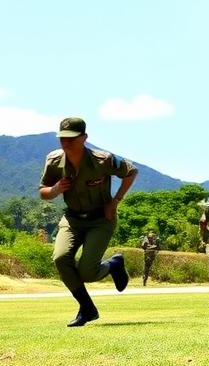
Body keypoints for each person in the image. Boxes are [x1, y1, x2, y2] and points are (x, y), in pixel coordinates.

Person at [39, 117, 138, 327]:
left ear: (84, 138)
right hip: (72, 219)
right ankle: (87, 309)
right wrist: (56, 189)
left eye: (71, 139)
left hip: (101, 219)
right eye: (62, 138)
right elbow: (43, 192)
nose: (66, 143)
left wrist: (115, 201)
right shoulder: (54, 160)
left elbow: (131, 172)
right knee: (60, 258)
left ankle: (113, 264)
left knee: (87, 273)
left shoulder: (103, 160)